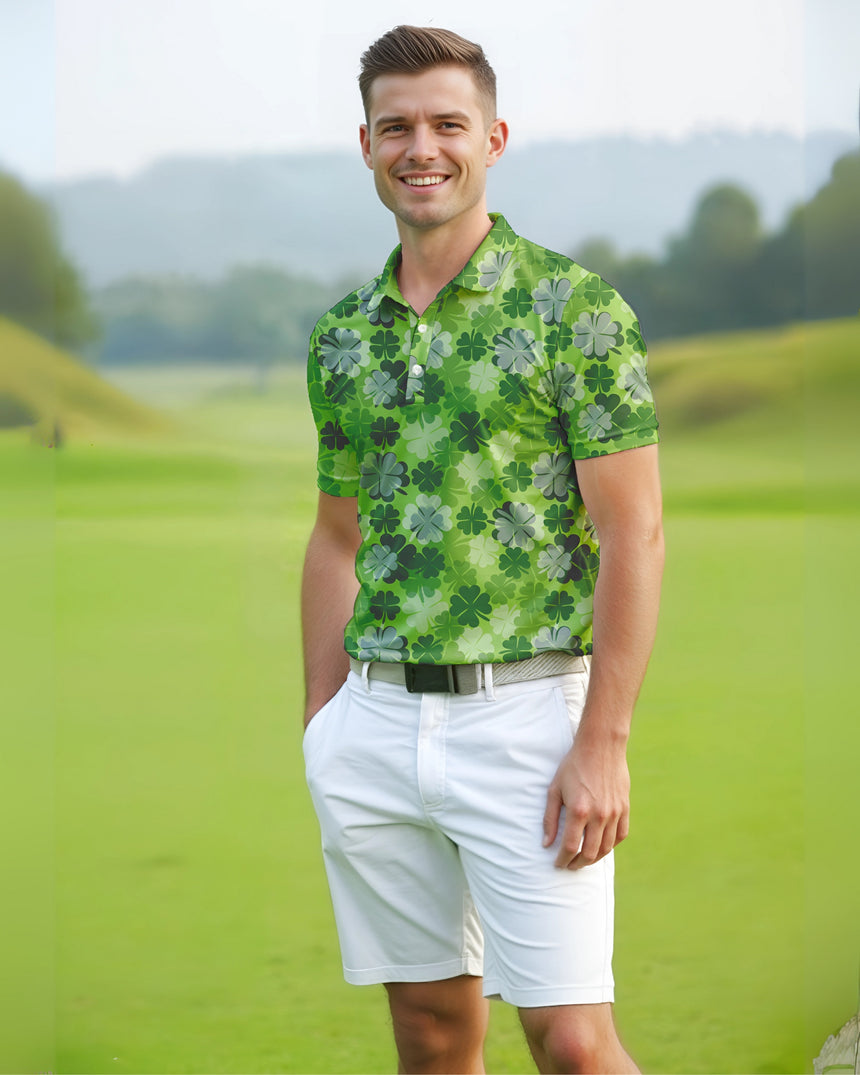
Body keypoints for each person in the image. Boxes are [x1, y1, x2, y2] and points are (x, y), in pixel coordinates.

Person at [301, 24, 664, 1075]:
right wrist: (322, 723)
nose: (422, 147)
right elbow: (336, 535)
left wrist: (602, 741)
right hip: (370, 726)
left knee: (570, 1040)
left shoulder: (574, 311)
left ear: (492, 138)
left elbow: (631, 533)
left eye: (446, 124)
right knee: (427, 1034)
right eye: (396, 127)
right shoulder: (343, 335)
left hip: (528, 728)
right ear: (364, 145)